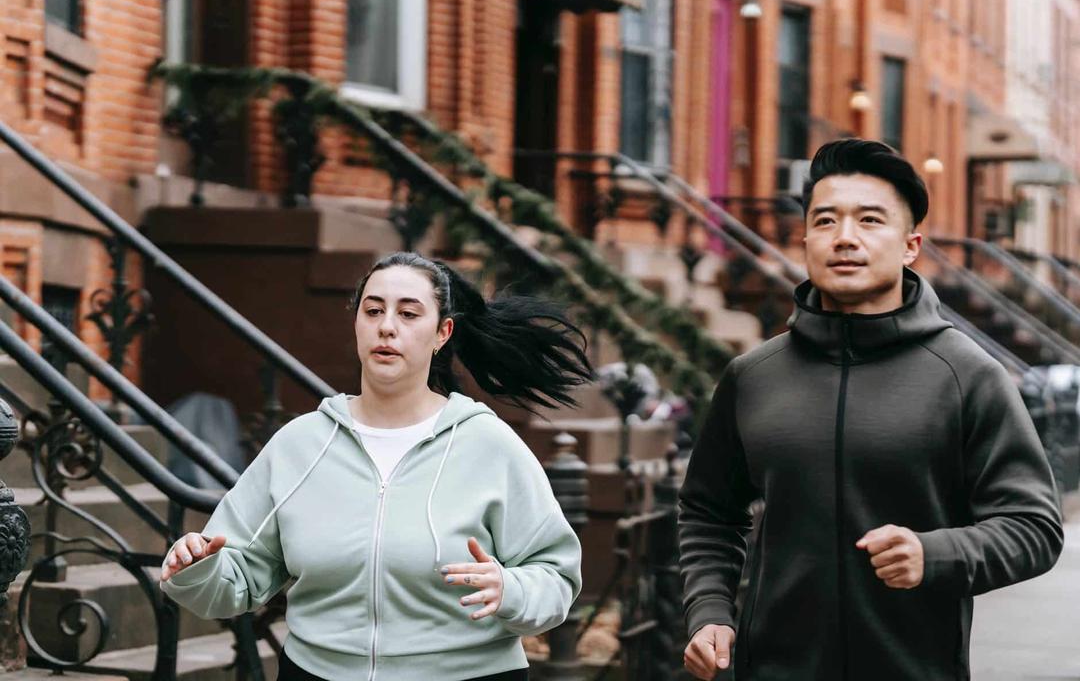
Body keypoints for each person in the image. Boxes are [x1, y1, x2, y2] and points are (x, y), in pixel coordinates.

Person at [678, 139, 1063, 680]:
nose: (846, 238)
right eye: (827, 221)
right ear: (807, 237)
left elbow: (1034, 527)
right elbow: (708, 512)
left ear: (911, 246)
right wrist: (709, 611)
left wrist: (936, 555)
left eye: (870, 220)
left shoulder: (967, 374)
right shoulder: (753, 376)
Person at [160, 252, 592, 681]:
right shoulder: (301, 445)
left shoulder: (488, 445)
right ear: (357, 325)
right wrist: (194, 569)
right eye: (373, 311)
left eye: (408, 313)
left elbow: (554, 577)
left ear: (442, 333)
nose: (387, 326)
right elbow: (236, 577)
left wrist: (510, 589)